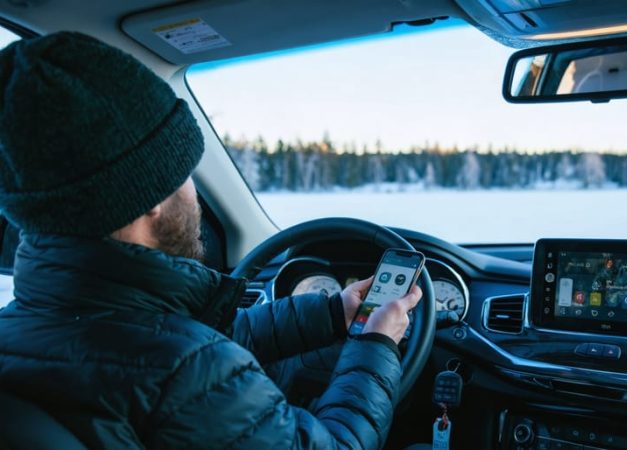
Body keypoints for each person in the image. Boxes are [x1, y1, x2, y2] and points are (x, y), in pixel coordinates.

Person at [0, 31, 421, 449]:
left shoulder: (19, 328)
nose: (193, 192)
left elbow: (181, 345)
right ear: (148, 197)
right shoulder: (190, 378)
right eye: (183, 173)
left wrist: (331, 314)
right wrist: (375, 344)